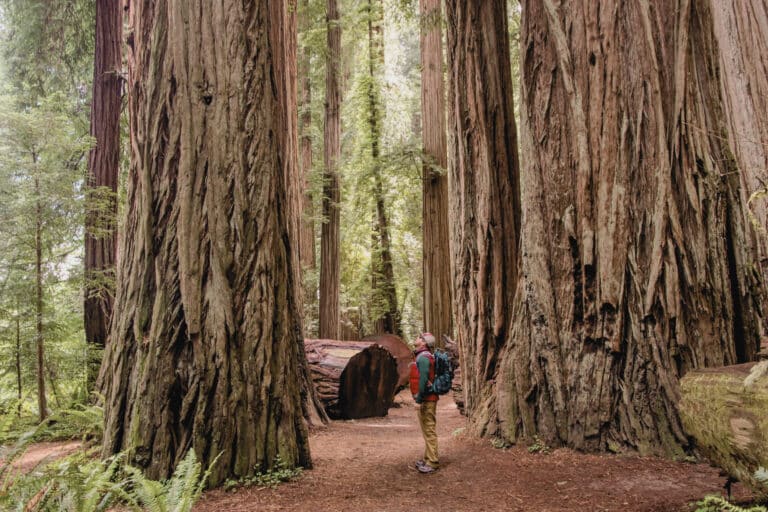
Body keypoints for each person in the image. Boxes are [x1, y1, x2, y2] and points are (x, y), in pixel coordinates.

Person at [411, 332, 439, 474]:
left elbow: (423, 380)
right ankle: (428, 457)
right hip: (428, 398)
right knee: (426, 429)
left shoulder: (423, 357)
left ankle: (432, 462)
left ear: (423, 342)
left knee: (429, 429)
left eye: (419, 337)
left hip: (427, 399)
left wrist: (418, 400)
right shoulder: (424, 355)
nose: (416, 338)